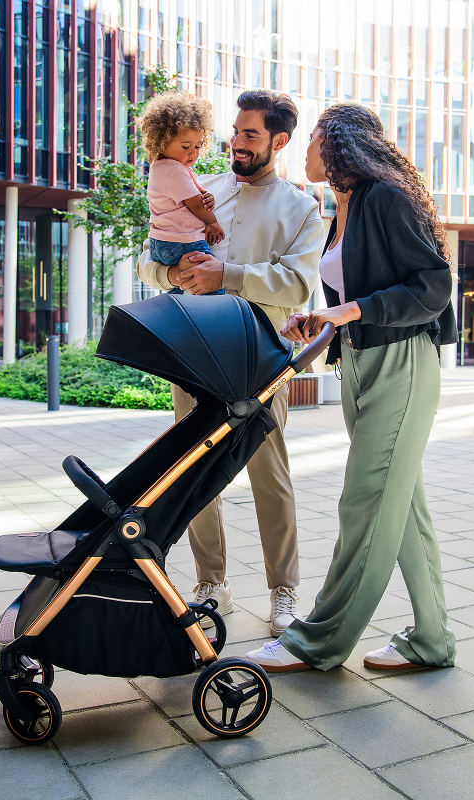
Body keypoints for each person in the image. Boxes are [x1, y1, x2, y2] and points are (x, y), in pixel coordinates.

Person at [246, 103, 458, 673]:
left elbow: (434, 286)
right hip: (362, 365)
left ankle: (316, 641)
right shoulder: (343, 206)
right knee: (403, 508)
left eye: (313, 138)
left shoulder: (384, 196)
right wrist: (322, 319)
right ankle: (433, 640)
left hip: (402, 365)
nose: (306, 149)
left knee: (363, 504)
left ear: (337, 142)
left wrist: (352, 311)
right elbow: (354, 296)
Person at [137, 90, 324, 635]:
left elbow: (297, 285)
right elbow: (152, 257)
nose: (235, 144)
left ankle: (283, 591)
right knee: (192, 472)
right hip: (194, 353)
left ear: (279, 141)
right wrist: (171, 277)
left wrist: (229, 275)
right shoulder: (199, 188)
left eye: (250, 135)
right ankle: (209, 583)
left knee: (271, 474)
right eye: (235, 132)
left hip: (260, 358)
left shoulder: (302, 209)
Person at [137, 92, 225, 295]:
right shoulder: (172, 170)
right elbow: (195, 205)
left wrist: (206, 195)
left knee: (184, 286)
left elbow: (194, 194)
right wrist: (212, 223)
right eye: (185, 146)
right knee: (212, 285)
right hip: (183, 242)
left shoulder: (163, 168)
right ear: (161, 141)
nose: (192, 153)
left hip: (161, 243)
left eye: (197, 146)